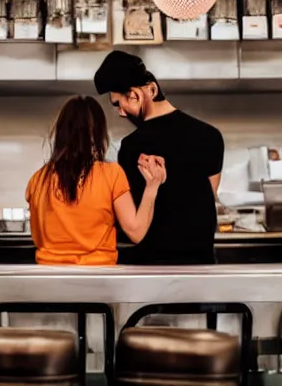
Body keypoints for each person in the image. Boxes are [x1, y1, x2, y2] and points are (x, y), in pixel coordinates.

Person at [94, 50, 225, 265]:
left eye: (119, 103)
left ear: (139, 93)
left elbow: (135, 215)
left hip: (152, 268)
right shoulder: (211, 136)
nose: (121, 113)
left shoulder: (131, 147)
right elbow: (207, 197)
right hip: (201, 265)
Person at [25, 96, 166, 266]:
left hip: (49, 279)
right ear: (98, 133)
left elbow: (39, 238)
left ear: (61, 132)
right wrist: (152, 186)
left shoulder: (38, 179)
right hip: (98, 278)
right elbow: (135, 232)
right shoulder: (111, 174)